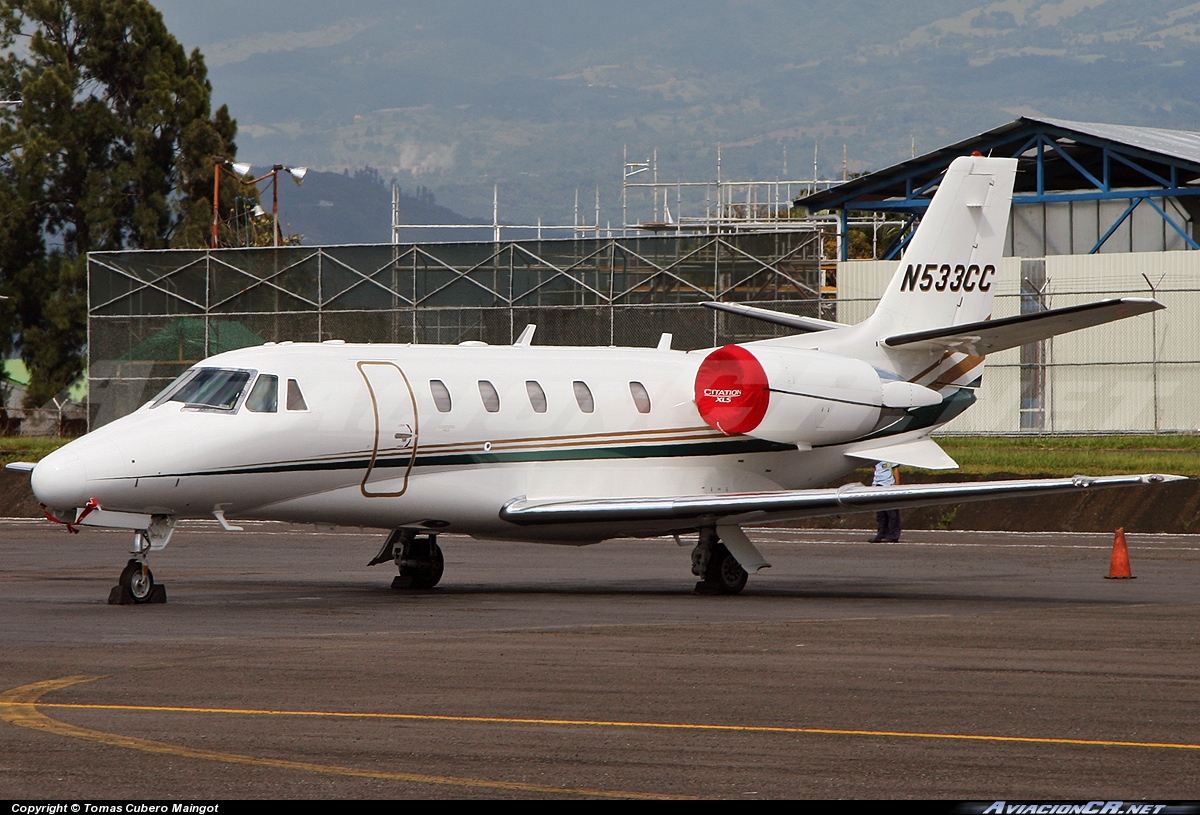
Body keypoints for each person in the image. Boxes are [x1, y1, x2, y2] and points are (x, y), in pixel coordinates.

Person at [870, 461, 901, 543]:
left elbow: (896, 469)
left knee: (892, 513)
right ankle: (881, 534)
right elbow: (874, 468)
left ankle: (893, 535)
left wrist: (897, 485)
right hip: (877, 485)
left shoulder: (889, 457)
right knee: (881, 513)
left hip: (888, 485)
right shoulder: (873, 457)